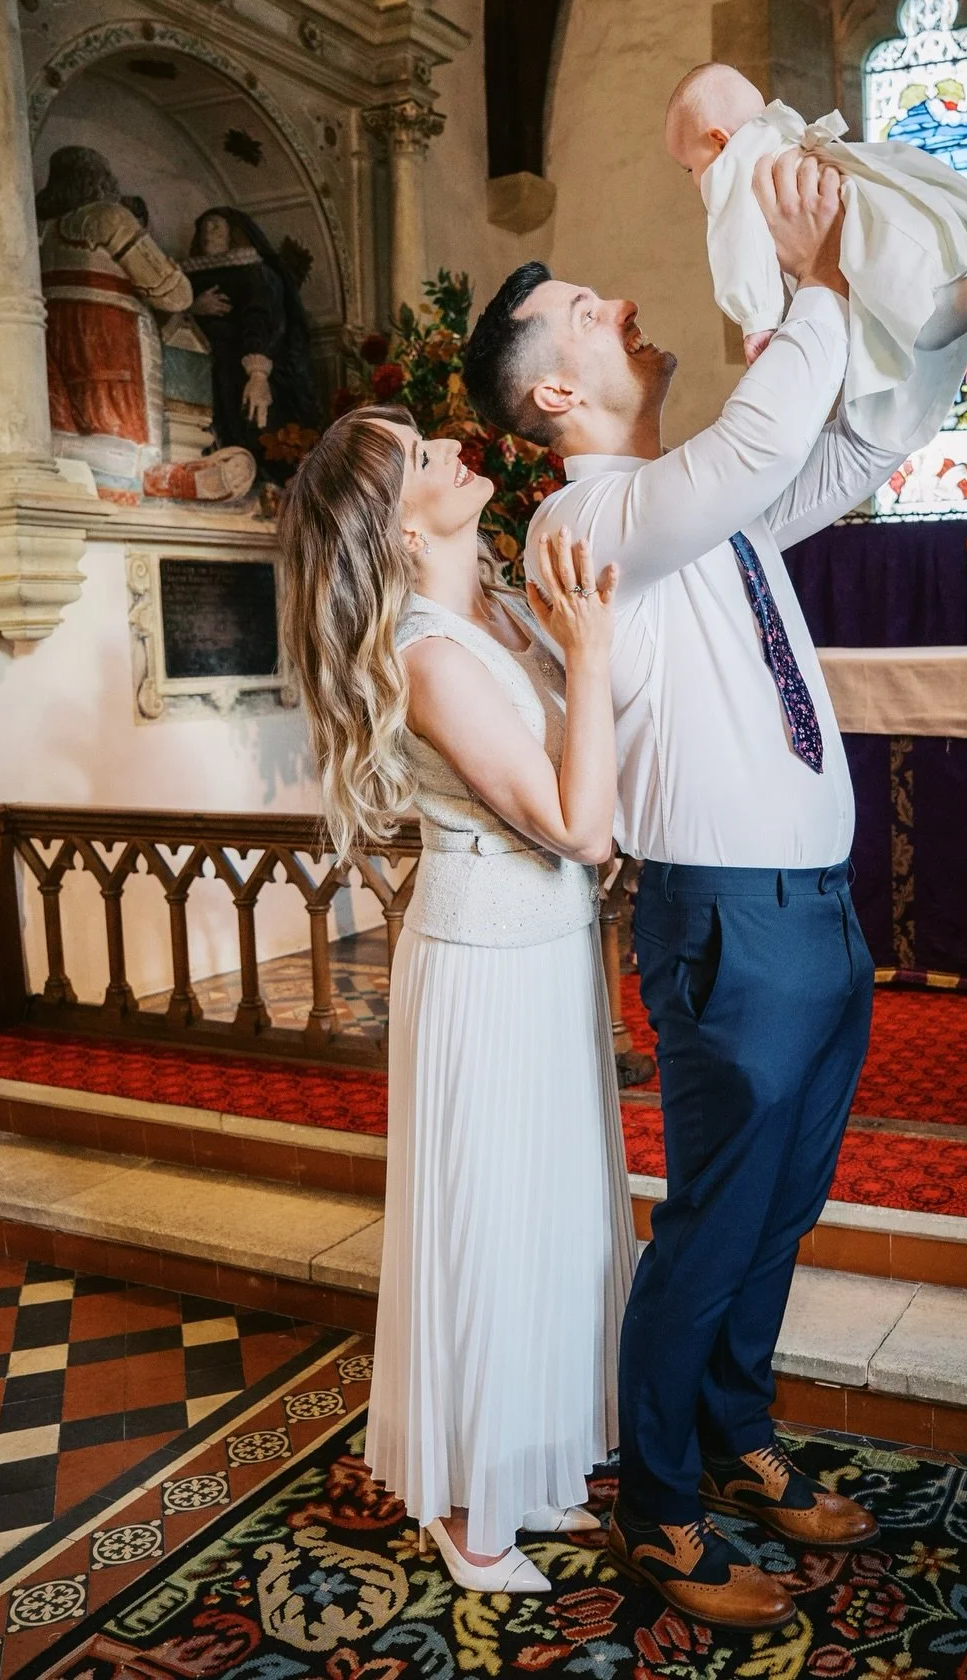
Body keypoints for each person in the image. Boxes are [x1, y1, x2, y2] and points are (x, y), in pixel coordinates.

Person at [461, 150, 967, 1632]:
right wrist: (815, 283)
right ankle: (666, 1511)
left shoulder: (706, 509)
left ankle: (739, 1436)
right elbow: (755, 452)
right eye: (583, 309)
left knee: (783, 1204)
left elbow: (852, 452)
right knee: (713, 1213)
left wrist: (936, 335)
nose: (624, 304)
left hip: (814, 905)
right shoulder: (587, 526)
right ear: (553, 397)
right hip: (726, 919)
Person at [277, 404, 636, 1594]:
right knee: (493, 1226)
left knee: (558, 1214)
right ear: (394, 522)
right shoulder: (430, 651)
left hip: (545, 949)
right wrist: (588, 655)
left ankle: (533, 1472)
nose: (454, 453)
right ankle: (473, 1512)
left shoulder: (495, 609)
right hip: (486, 966)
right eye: (426, 457)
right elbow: (580, 827)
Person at [665, 62, 967, 441]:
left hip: (857, 233)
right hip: (890, 199)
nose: (695, 183)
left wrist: (756, 319)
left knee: (927, 327)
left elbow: (736, 243)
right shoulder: (786, 132)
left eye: (689, 169)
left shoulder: (733, 167)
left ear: (718, 139)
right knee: (955, 275)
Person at [36, 146, 192, 448]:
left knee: (66, 436)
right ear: (102, 182)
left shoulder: (37, 226)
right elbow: (175, 295)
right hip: (110, 336)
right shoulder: (107, 217)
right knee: (123, 443)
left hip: (50, 334)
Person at [185, 207, 320, 478]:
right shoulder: (185, 278)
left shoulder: (256, 272)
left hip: (243, 369)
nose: (206, 234)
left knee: (250, 426)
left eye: (215, 227)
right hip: (199, 368)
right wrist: (192, 308)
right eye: (203, 228)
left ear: (234, 234)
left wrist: (258, 372)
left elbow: (262, 318)